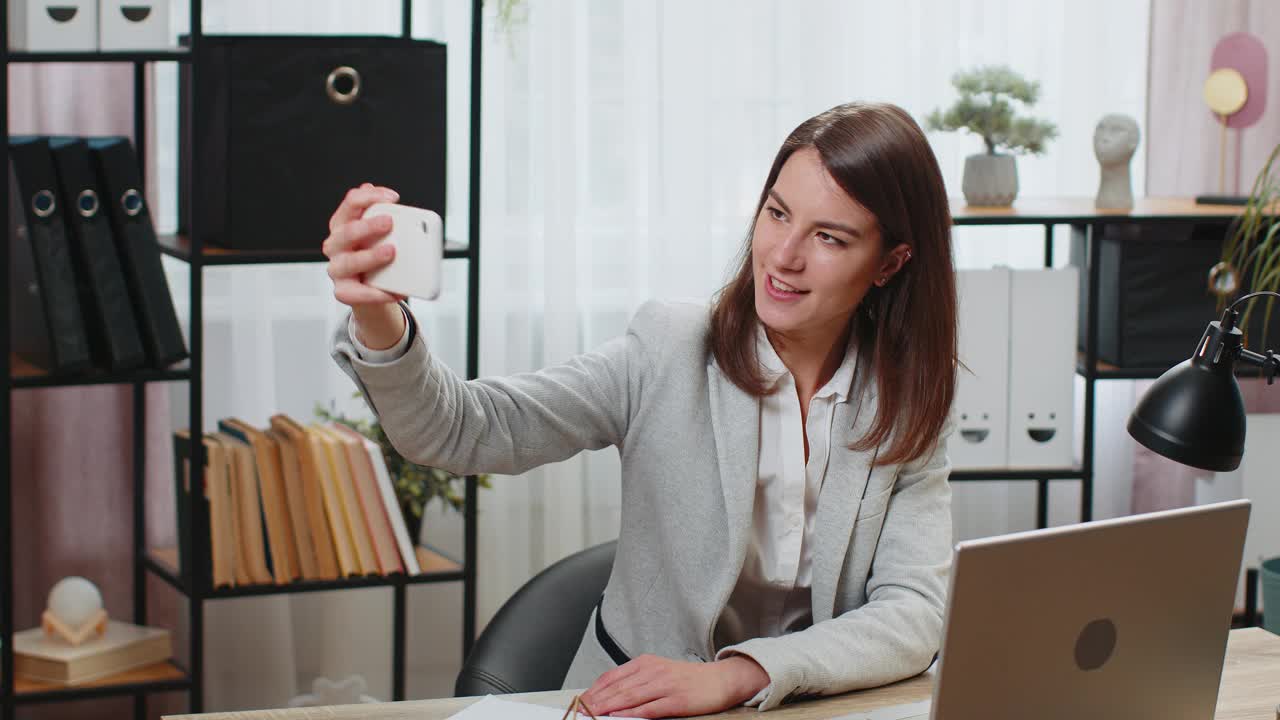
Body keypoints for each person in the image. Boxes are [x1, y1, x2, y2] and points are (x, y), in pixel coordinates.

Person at [324, 101, 958, 717]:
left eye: (827, 236)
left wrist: (739, 676)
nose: (784, 255)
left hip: (812, 705)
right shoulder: (668, 350)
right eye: (777, 213)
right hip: (632, 710)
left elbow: (913, 611)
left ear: (890, 263)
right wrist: (377, 317)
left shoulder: (909, 398)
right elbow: (456, 432)